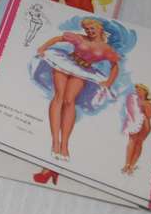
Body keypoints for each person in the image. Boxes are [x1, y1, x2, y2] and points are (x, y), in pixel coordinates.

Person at [34, 18, 120, 161]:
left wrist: (109, 82)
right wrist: (42, 48)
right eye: (87, 29)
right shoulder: (80, 38)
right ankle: (55, 141)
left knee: (69, 101)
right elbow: (58, 38)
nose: (89, 31)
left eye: (92, 28)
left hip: (83, 70)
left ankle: (64, 144)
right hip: (65, 63)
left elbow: (115, 66)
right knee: (59, 96)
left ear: (100, 28)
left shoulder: (107, 49)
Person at [122, 84, 151, 175]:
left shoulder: (147, 103)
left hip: (144, 124)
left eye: (140, 90)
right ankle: (127, 164)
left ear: (145, 92)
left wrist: (144, 105)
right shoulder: (132, 99)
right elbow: (129, 111)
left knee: (139, 143)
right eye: (137, 90)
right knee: (131, 141)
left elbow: (149, 116)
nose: (137, 92)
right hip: (134, 123)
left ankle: (132, 165)